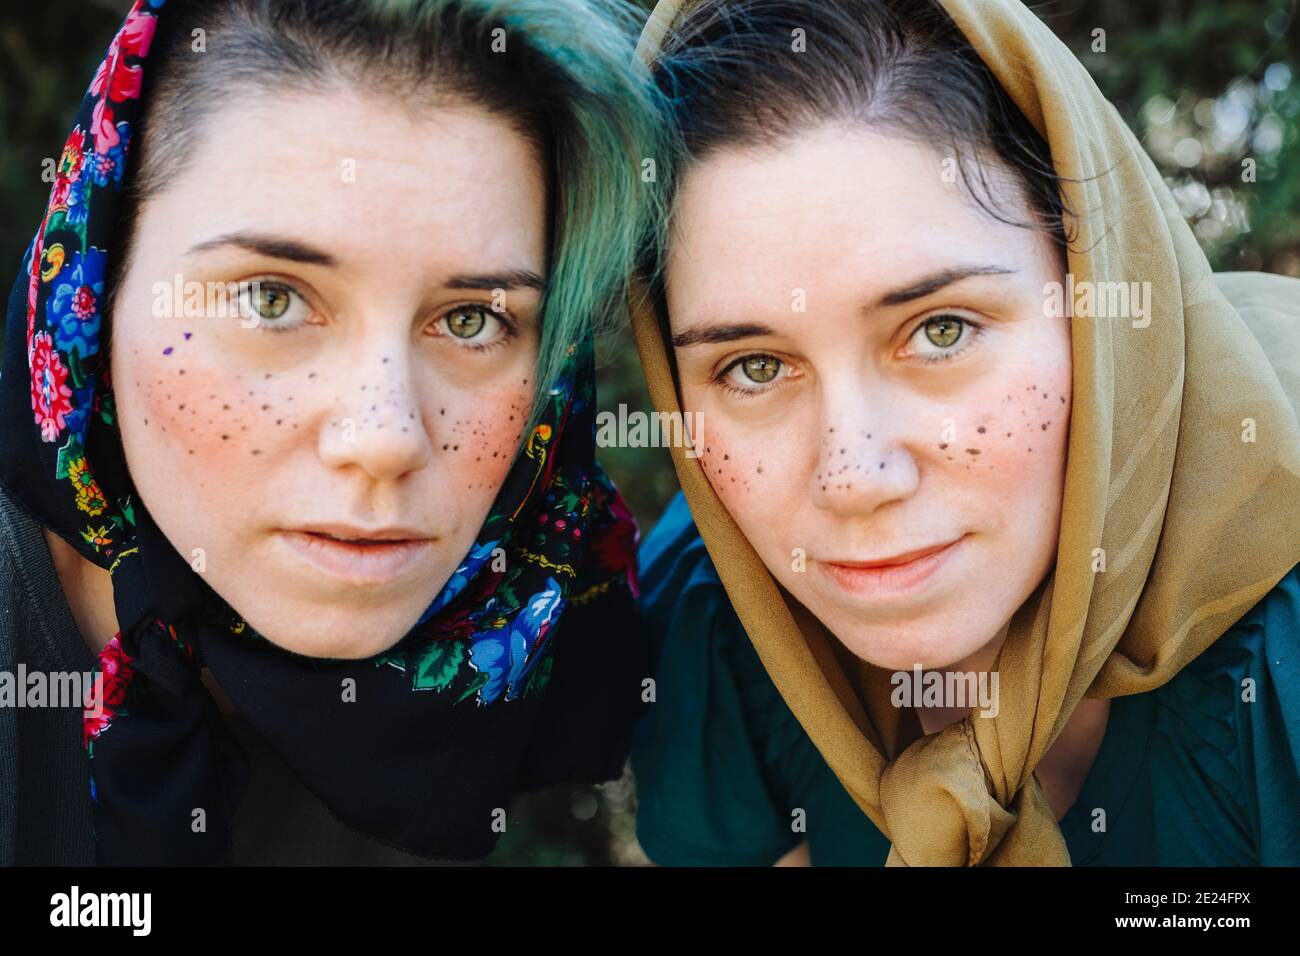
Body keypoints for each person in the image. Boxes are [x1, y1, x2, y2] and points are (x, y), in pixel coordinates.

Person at [628, 0, 1300, 865]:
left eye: (941, 330)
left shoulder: (1277, 667)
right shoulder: (719, 620)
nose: (854, 475)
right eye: (755, 368)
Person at [0, 0, 662, 865]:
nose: (384, 437)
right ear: (94, 281)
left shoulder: (488, 681)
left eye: (471, 321)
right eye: (270, 299)